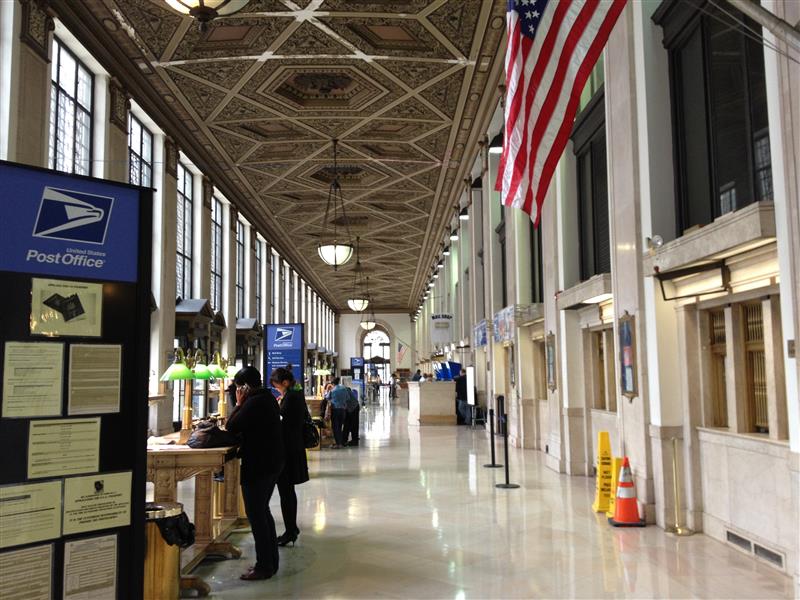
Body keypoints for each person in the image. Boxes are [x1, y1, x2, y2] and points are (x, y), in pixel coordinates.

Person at [225, 366, 284, 581]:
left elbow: (231, 426)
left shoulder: (254, 402)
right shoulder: (266, 398)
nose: (236, 392)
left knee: (256, 515)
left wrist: (239, 404)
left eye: (238, 388)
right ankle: (270, 562)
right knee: (262, 512)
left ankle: (264, 566)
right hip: (272, 462)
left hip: (260, 464)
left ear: (245, 387)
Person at [269, 367, 309, 547]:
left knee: (286, 491)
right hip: (293, 447)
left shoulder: (291, 397)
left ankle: (290, 530)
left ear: (285, 383)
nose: (277, 389)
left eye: (277, 386)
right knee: (287, 491)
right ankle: (291, 529)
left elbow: (283, 419)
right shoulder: (295, 394)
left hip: (288, 449)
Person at [327, 377, 350, 448]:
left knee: (335, 427)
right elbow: (347, 398)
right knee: (340, 427)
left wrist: (327, 391)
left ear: (333, 384)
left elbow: (327, 397)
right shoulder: (344, 389)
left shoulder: (332, 390)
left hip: (335, 410)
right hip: (343, 410)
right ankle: (340, 442)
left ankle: (338, 444)